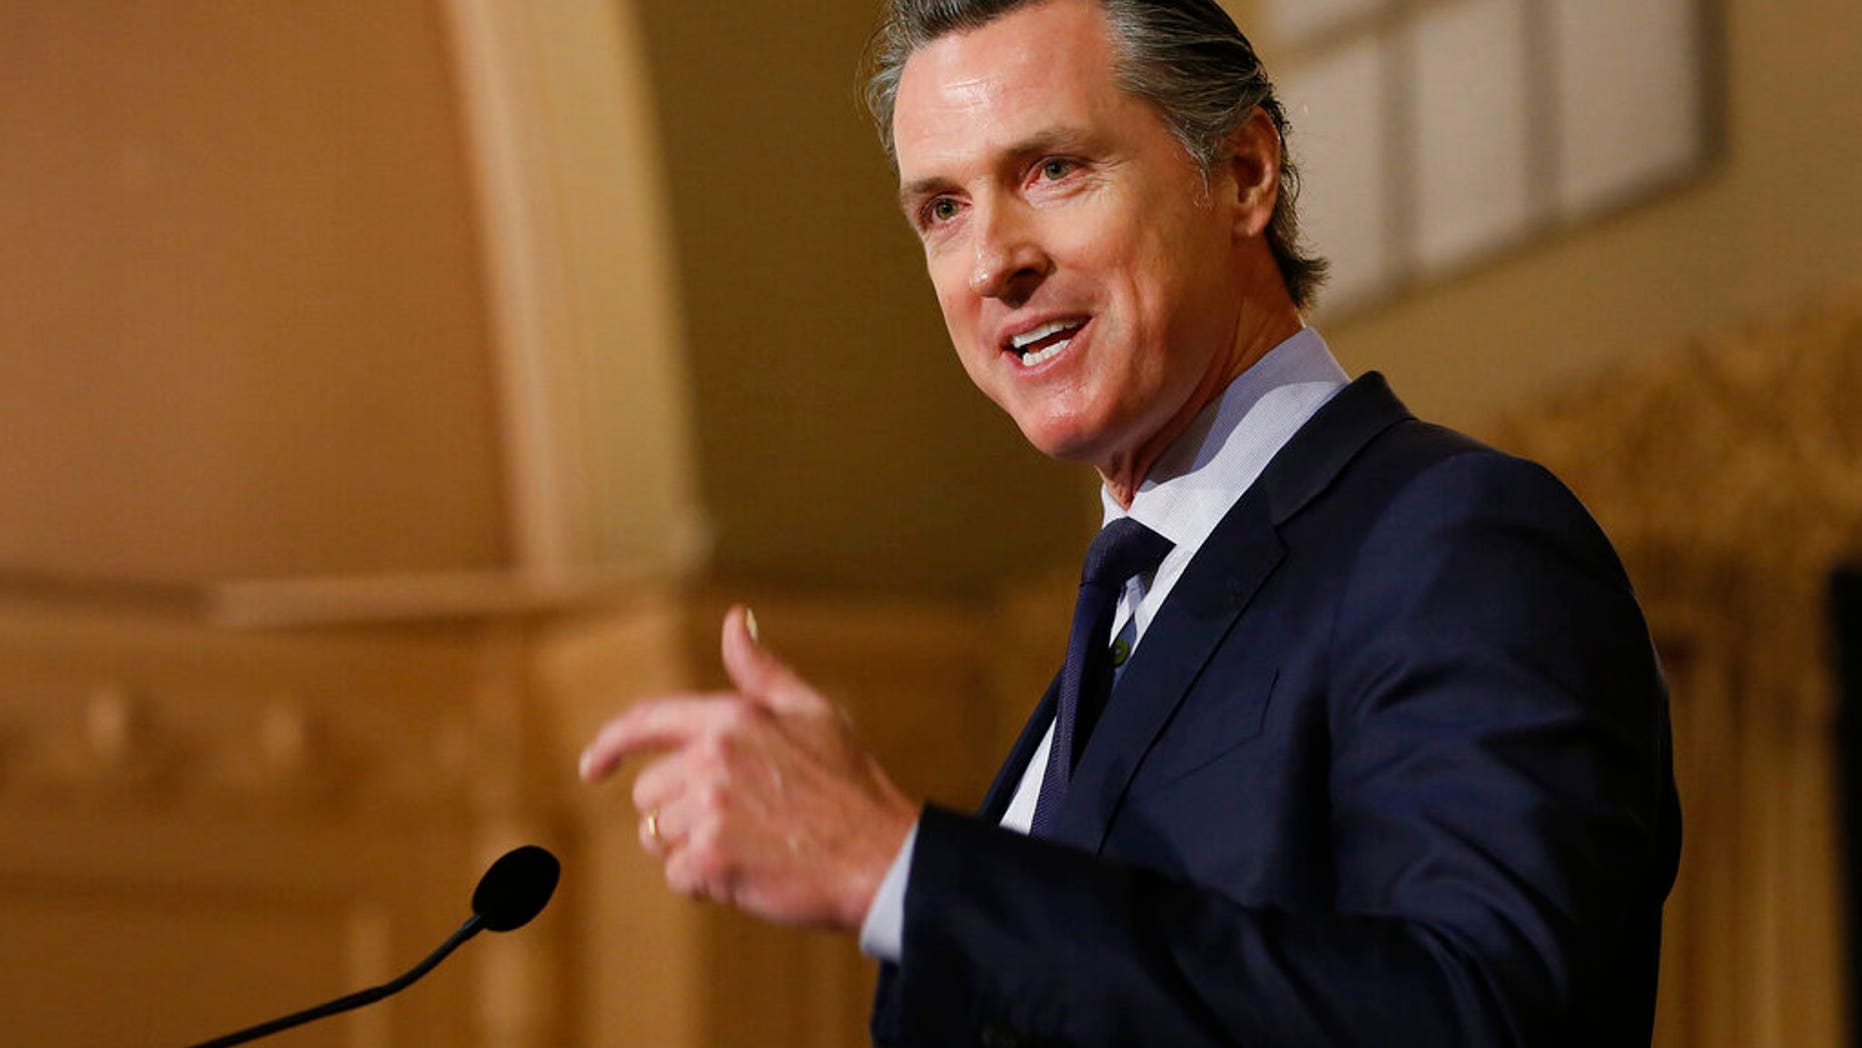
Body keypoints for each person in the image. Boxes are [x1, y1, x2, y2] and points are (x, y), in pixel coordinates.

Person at [578, 0, 1682, 1043]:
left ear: (1241, 173)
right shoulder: (1100, 655)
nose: (991, 262)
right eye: (942, 209)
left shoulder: (1449, 543)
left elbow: (1488, 1010)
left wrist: (903, 872)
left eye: (1053, 169)